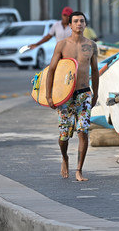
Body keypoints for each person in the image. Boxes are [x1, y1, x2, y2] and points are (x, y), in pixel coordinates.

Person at [45, 11, 99, 182]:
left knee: (83, 131)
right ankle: (65, 157)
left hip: (84, 93)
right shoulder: (61, 45)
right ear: (69, 25)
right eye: (75, 21)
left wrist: (95, 93)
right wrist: (49, 95)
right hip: (66, 96)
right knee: (64, 136)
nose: (79, 24)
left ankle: (79, 170)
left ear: (85, 24)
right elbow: (51, 70)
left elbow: (95, 71)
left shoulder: (91, 46)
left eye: (82, 21)